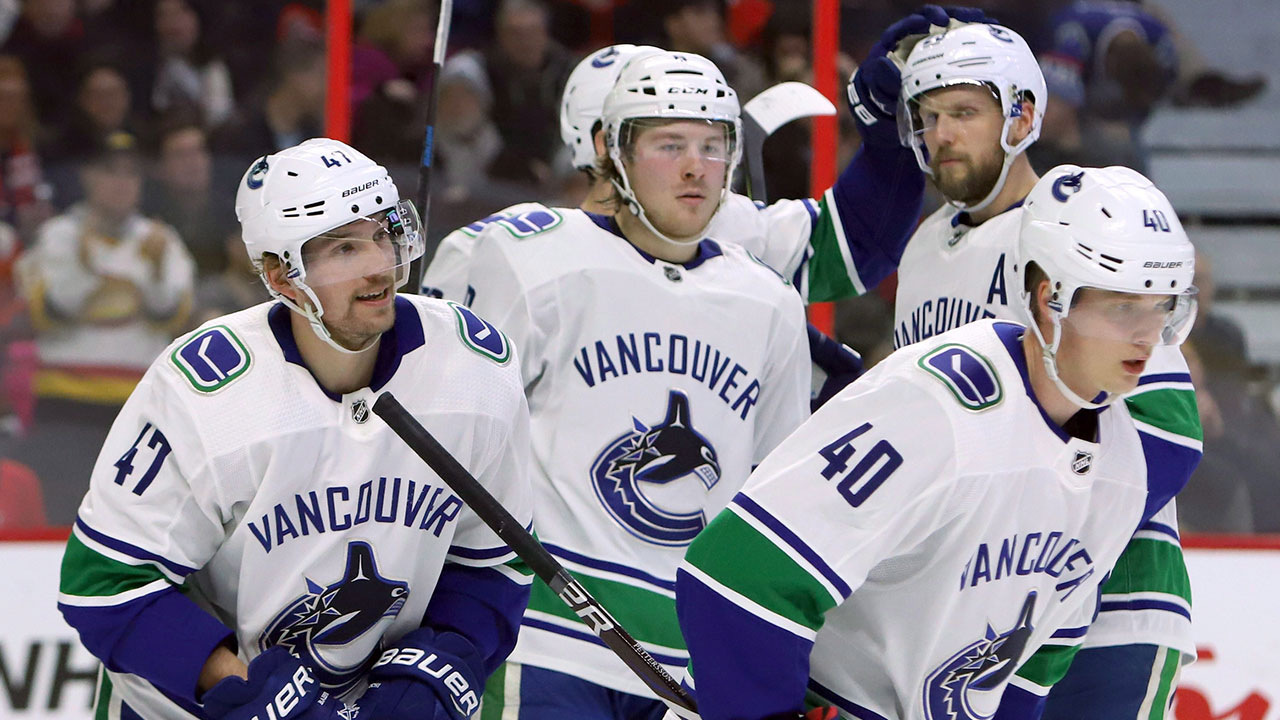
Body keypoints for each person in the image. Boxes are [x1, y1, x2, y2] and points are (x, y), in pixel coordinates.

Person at [674, 165, 1201, 720]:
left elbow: (1029, 668)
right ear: (1051, 299)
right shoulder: (936, 408)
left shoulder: (1122, 470)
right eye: (1123, 306)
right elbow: (735, 576)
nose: (1149, 335)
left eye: (1163, 307)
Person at [56, 138, 535, 720]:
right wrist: (250, 694)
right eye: (344, 248)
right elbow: (104, 582)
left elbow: (494, 562)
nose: (378, 265)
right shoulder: (205, 390)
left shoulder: (473, 368)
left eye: (383, 235)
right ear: (282, 277)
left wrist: (434, 673)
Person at [443, 50, 813, 720]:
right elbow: (463, 451)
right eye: (670, 145)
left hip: (689, 660)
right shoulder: (533, 258)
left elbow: (770, 495)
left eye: (712, 145)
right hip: (549, 638)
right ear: (613, 152)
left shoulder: (770, 302)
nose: (696, 166)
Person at [857, 20, 1200, 718]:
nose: (942, 134)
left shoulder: (1084, 226)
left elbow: (1168, 433)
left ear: (1021, 116)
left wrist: (1049, 550)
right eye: (928, 116)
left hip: (1111, 612)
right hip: (982, 620)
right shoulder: (922, 251)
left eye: (964, 112)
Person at [15, 130, 195, 524]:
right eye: (110, 171)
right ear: (88, 177)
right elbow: (50, 311)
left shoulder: (161, 240)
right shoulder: (58, 235)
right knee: (62, 516)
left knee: (133, 522)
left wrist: (156, 270)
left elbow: (173, 315)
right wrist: (85, 269)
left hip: (139, 408)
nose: (121, 182)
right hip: (66, 406)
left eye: (131, 173)